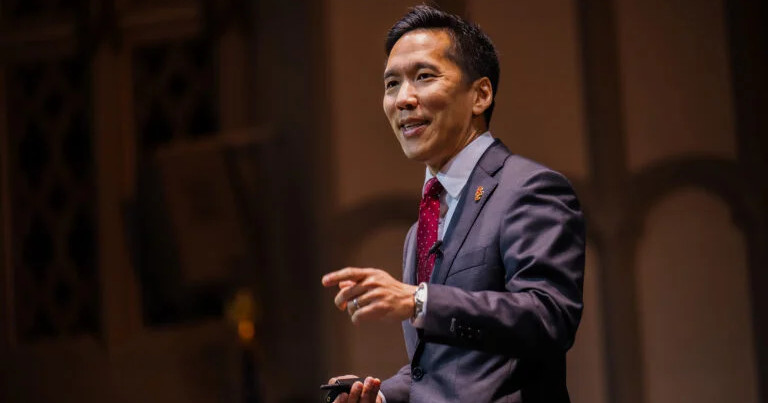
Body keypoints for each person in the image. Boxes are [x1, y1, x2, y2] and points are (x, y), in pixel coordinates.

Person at [321, 5, 585, 403]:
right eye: (392, 84)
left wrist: (417, 301)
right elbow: (445, 368)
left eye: (424, 77)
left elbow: (549, 317)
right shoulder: (421, 229)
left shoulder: (529, 189)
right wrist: (383, 396)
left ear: (480, 95)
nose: (403, 99)